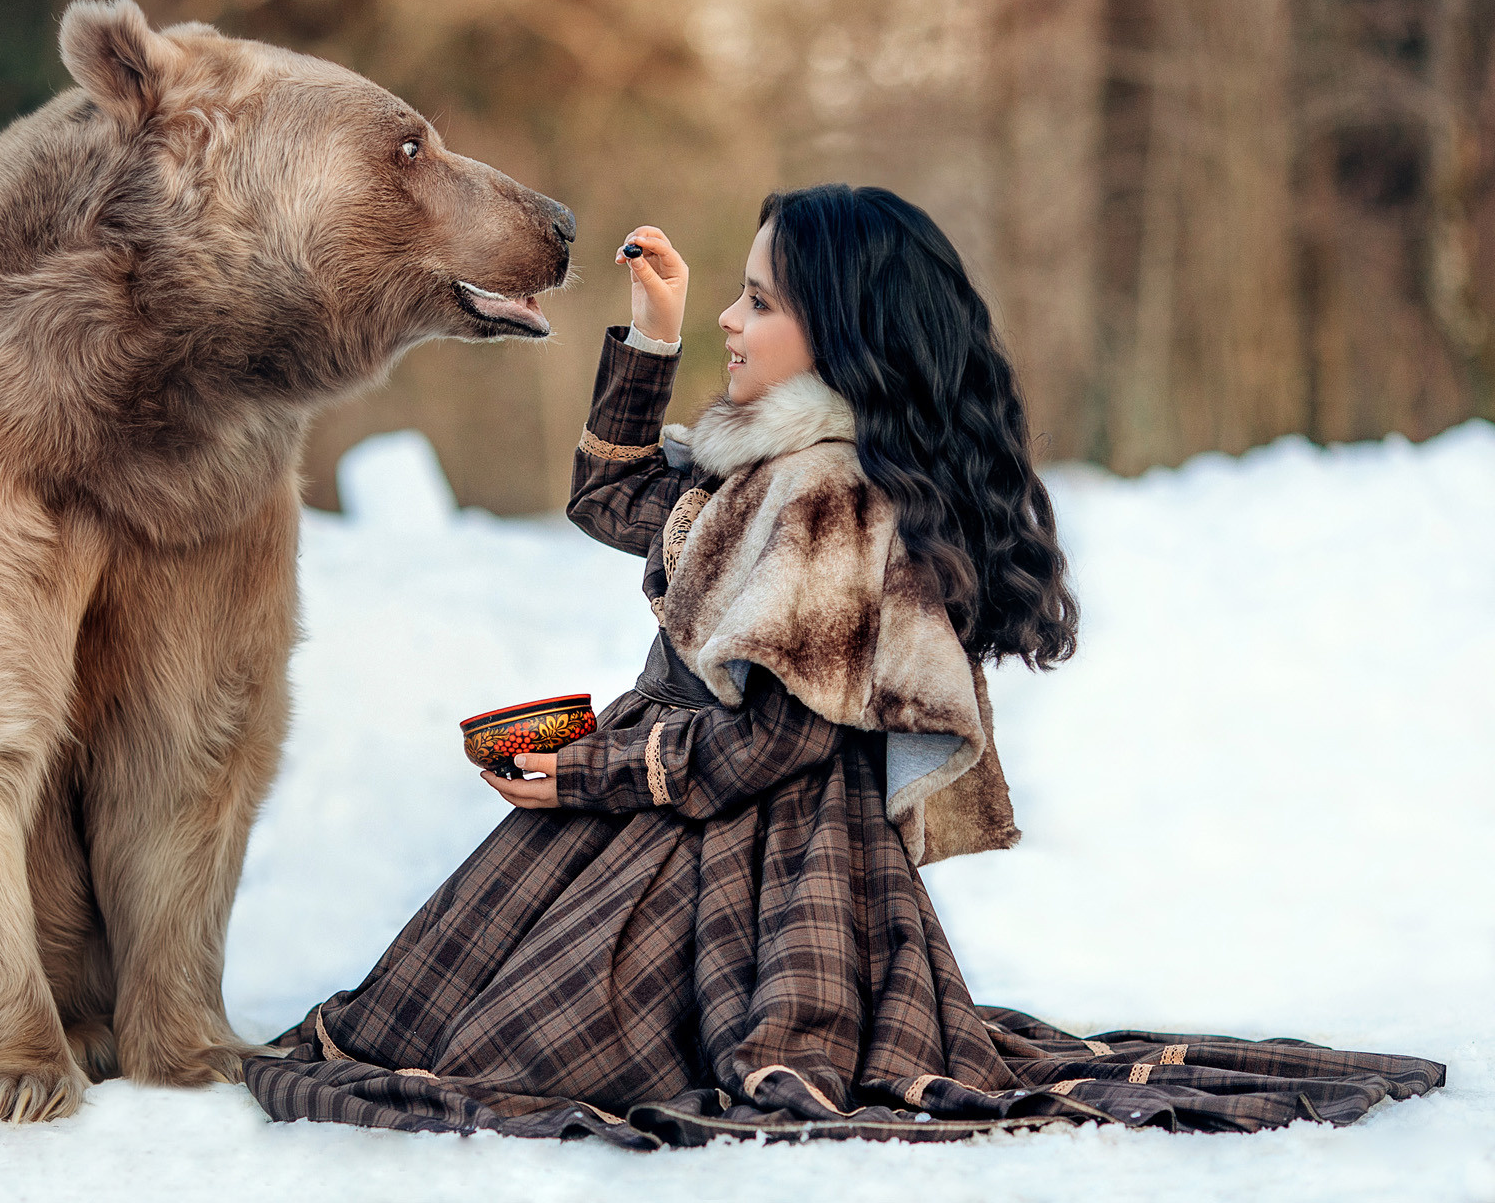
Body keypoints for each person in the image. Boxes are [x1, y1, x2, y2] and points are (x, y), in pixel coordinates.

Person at [242, 184, 1443, 1146]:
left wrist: (598, 770)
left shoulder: (831, 494)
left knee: (542, 1040)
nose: (729, 316)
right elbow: (608, 499)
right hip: (670, 797)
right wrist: (649, 338)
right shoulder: (762, 469)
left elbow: (783, 740)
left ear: (841, 331)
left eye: (755, 301)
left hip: (764, 851)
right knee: (450, 1015)